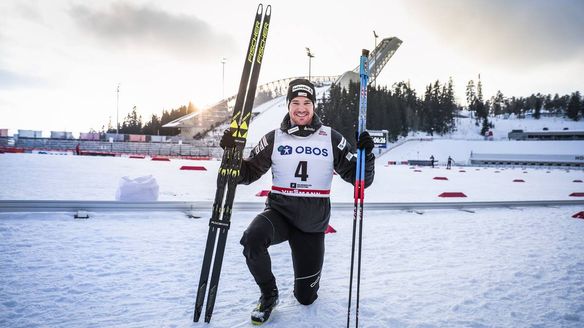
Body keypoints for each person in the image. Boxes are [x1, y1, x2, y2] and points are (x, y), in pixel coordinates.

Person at [220, 78, 375, 324]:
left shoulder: (331, 138)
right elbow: (247, 174)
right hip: (279, 214)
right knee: (252, 239)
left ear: (313, 106)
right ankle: (268, 295)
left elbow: (359, 180)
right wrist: (231, 155)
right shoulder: (274, 138)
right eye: (295, 102)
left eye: (306, 102)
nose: (301, 108)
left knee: (305, 297)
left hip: (312, 226)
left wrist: (367, 157)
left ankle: (306, 284)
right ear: (288, 105)